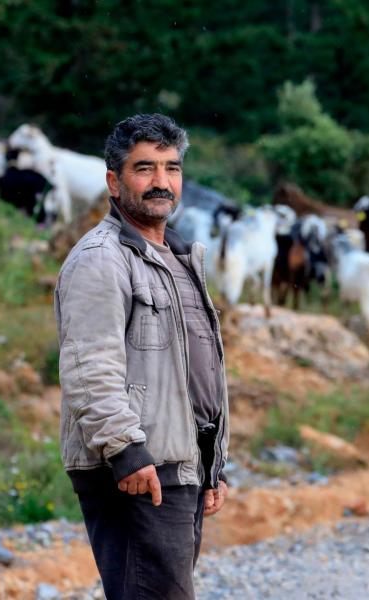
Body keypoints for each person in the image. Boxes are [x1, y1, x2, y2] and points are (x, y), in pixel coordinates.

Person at [54, 114, 229, 599]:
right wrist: (127, 453)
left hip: (177, 467)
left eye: (171, 168)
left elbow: (195, 376)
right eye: (144, 168)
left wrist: (213, 464)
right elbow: (89, 368)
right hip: (134, 471)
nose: (161, 182)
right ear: (114, 180)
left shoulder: (177, 258)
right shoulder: (100, 260)